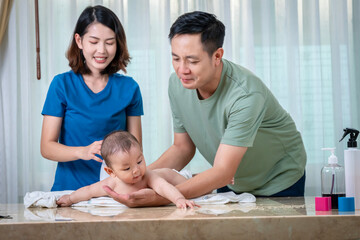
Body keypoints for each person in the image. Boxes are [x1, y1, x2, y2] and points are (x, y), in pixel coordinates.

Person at [103, 11, 307, 207]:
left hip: (278, 179)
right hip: (231, 180)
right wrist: (135, 179)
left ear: (217, 56)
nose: (182, 69)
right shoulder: (178, 84)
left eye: (192, 61)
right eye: (176, 58)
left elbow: (223, 171)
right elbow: (182, 149)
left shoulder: (246, 95)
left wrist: (160, 197)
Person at [41, 5, 143, 191]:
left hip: (115, 193)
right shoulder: (61, 85)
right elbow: (47, 148)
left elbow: (136, 150)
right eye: (94, 42)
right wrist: (83, 151)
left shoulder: (130, 88)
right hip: (69, 192)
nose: (102, 50)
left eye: (110, 42)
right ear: (79, 41)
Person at [56, 130, 197, 209]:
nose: (136, 170)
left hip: (170, 176)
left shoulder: (147, 176)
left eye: (140, 161)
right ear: (112, 172)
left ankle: (193, 177)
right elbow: (89, 191)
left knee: (196, 187)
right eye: (127, 168)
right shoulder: (112, 183)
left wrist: (179, 199)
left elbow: (163, 186)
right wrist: (70, 198)